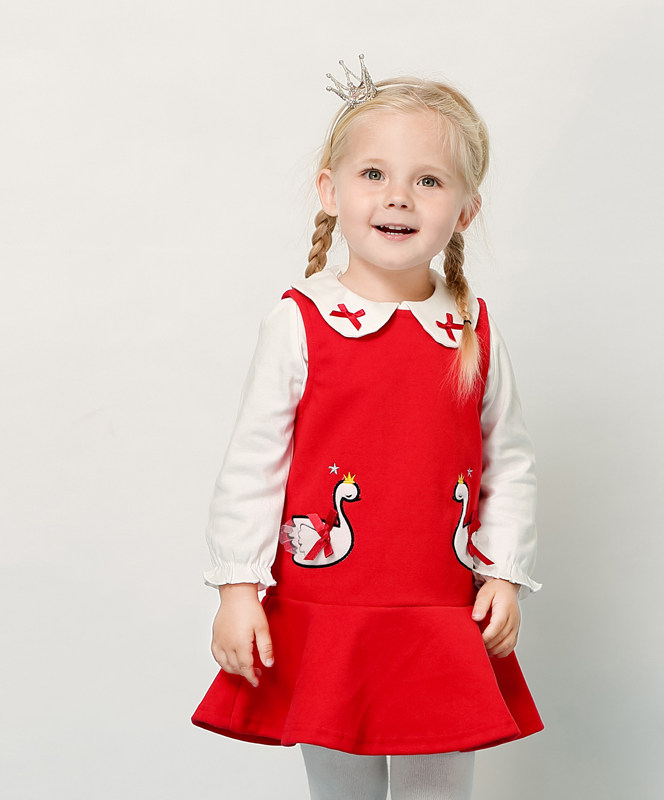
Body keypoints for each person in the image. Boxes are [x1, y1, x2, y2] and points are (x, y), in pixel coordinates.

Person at [192, 55, 543, 800]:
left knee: (438, 787)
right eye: (374, 174)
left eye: (429, 180)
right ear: (330, 190)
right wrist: (238, 588)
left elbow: (508, 461)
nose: (399, 197)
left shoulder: (471, 329)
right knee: (340, 788)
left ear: (465, 210)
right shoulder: (300, 321)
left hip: (443, 611)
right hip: (328, 614)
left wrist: (504, 573)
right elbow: (254, 464)